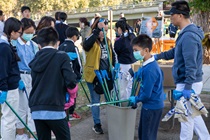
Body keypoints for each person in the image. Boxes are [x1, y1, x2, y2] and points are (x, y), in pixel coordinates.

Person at [155, 1, 210, 139]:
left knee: (185, 119)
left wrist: (187, 87)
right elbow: (176, 52)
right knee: (193, 115)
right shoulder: (186, 34)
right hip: (189, 82)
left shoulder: (189, 36)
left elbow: (191, 66)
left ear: (180, 15)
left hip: (188, 83)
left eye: (172, 14)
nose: (170, 17)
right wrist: (156, 56)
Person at [29, 27, 77, 140]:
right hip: (54, 107)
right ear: (57, 43)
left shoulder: (36, 58)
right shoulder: (61, 56)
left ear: (39, 45)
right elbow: (70, 81)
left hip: (37, 108)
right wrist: (72, 96)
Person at [83, 17, 116, 134]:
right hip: (94, 75)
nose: (104, 30)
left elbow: (112, 56)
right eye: (102, 28)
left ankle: (112, 121)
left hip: (106, 75)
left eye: (105, 28)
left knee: (109, 100)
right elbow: (86, 45)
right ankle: (97, 124)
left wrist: (114, 67)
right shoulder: (91, 40)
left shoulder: (107, 41)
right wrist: (97, 31)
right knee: (95, 101)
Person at [129, 34, 164, 140]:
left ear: (146, 50)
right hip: (151, 105)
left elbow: (147, 95)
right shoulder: (147, 65)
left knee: (147, 136)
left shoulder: (150, 69)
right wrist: (136, 74)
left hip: (151, 106)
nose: (134, 53)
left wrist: (136, 99)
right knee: (144, 133)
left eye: (136, 50)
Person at [15, 18, 38, 140]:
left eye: (32, 33)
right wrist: (18, 79)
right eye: (27, 32)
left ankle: (33, 134)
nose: (30, 35)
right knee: (21, 107)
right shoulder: (14, 44)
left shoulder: (33, 45)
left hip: (32, 76)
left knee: (32, 107)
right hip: (20, 76)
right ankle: (20, 134)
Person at [0, 17, 22, 140]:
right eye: (19, 32)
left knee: (8, 118)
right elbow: (2, 70)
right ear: (12, 32)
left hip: (12, 86)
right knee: (10, 119)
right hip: (8, 89)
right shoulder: (4, 47)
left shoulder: (7, 45)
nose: (20, 35)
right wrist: (3, 88)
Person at [59, 27, 83, 120]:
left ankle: (64, 111)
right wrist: (80, 74)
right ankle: (71, 112)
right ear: (74, 36)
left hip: (62, 76)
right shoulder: (74, 47)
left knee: (64, 94)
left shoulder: (60, 46)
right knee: (73, 94)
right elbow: (79, 63)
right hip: (72, 76)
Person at [114, 19, 136, 99]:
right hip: (134, 63)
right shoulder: (133, 36)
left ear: (120, 29)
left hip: (124, 65)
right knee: (130, 87)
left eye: (116, 29)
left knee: (122, 89)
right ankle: (129, 103)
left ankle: (123, 105)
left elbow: (116, 52)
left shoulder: (120, 41)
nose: (116, 31)